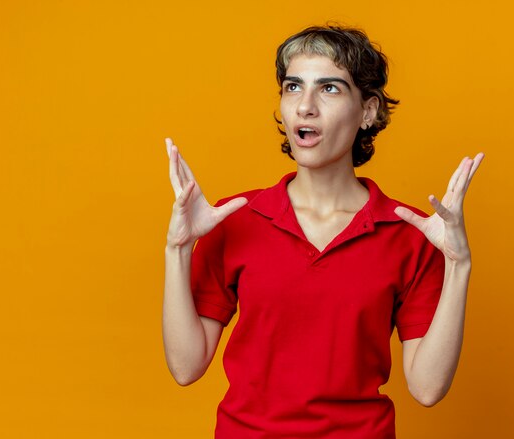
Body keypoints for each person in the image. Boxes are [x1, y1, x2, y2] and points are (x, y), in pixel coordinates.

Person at [162, 24, 484, 439]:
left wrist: (459, 264)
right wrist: (178, 249)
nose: (305, 106)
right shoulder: (235, 219)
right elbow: (186, 367)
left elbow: (427, 388)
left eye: (329, 89)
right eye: (293, 87)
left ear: (368, 111)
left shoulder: (410, 233)